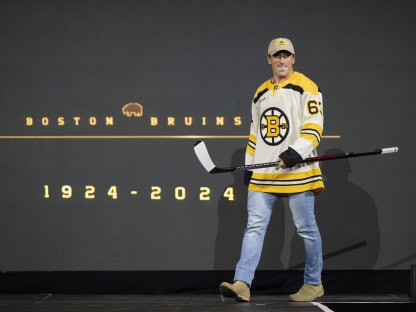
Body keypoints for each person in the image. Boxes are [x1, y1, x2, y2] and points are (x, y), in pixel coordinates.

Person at [219, 37, 325, 302]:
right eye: (276, 55)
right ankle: (242, 283)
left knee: (306, 228)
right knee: (253, 227)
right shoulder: (260, 93)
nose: (281, 60)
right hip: (265, 173)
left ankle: (313, 283)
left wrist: (294, 153)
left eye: (286, 55)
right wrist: (250, 165)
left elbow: (314, 127)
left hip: (298, 169)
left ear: (293, 58)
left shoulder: (306, 86)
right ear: (269, 59)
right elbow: (255, 135)